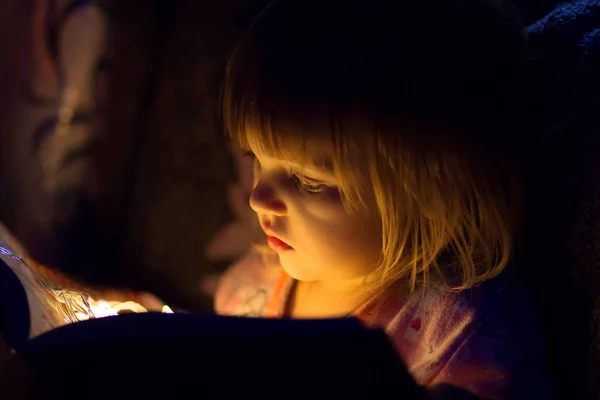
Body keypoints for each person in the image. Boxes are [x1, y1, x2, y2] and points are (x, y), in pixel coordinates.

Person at [215, 0, 552, 397]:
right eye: (256, 158)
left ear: (431, 194)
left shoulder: (454, 335)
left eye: (307, 182)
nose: (257, 198)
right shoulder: (254, 284)